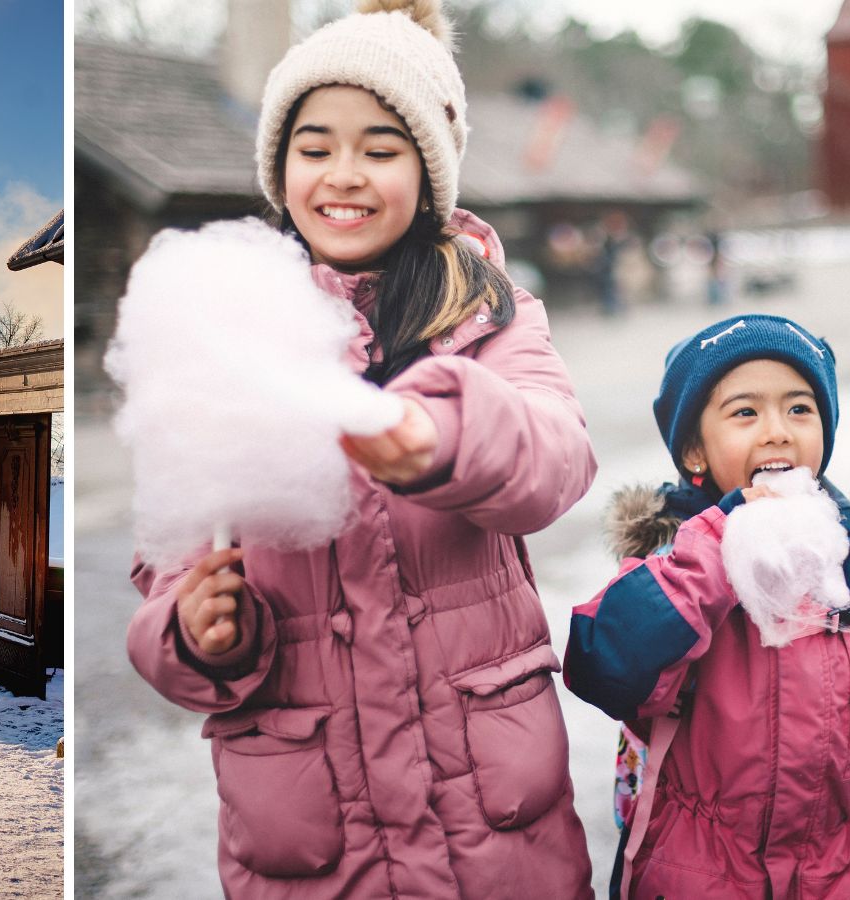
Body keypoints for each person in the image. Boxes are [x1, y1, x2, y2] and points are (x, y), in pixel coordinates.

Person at [124, 2, 597, 895]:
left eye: (380, 149)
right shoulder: (227, 335)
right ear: (280, 166)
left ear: (428, 170)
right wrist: (192, 633)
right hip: (314, 832)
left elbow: (557, 456)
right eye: (315, 147)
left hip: (492, 829)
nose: (344, 175)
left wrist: (445, 434)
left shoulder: (488, 314)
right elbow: (165, 566)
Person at [564, 315, 850, 897]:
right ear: (694, 452)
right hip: (697, 870)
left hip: (849, 872)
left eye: (800, 409)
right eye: (745, 412)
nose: (778, 431)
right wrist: (715, 549)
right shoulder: (673, 565)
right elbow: (604, 669)